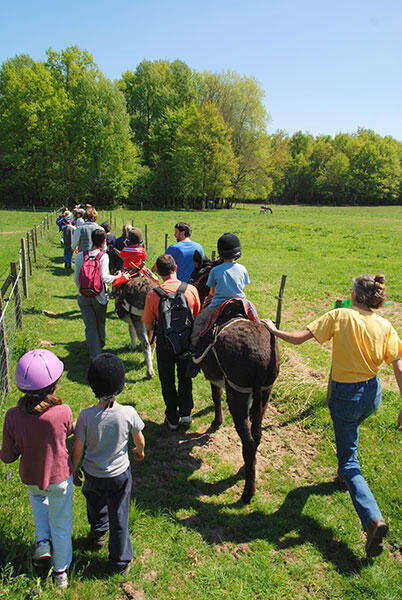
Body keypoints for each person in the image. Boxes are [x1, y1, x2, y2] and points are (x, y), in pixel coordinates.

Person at [262, 274, 402, 558]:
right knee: (351, 430)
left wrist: (274, 331)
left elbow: (299, 339)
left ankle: (372, 520)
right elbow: (398, 363)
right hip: (372, 395)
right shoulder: (385, 325)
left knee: (349, 462)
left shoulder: (340, 315)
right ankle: (342, 476)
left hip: (345, 394)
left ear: (355, 294)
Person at [0, 350, 73, 589]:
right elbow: (68, 436)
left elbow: (8, 457)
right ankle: (61, 572)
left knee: (38, 501)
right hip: (59, 477)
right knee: (61, 523)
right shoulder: (63, 412)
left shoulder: (12, 416)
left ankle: (42, 542)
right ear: (54, 386)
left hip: (31, 476)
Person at [71, 353, 145, 574]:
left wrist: (74, 470)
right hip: (119, 475)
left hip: (93, 473)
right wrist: (139, 451)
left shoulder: (85, 416)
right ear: (121, 384)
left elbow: (77, 449)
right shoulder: (128, 413)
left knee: (94, 503)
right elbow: (139, 438)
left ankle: (99, 532)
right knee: (119, 515)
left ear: (92, 385)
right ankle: (120, 561)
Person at [143, 254, 201, 431]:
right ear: (175, 268)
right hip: (186, 343)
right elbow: (197, 317)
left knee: (167, 381)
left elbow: (148, 323)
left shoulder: (153, 294)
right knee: (185, 378)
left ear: (159, 273)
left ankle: (172, 419)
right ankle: (186, 414)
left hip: (165, 344)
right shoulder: (191, 290)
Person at [191, 233, 250, 342]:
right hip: (241, 302)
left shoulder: (215, 270)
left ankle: (193, 347)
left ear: (220, 253)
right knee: (255, 319)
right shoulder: (243, 268)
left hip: (218, 304)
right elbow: (243, 286)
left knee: (198, 321)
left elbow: (212, 292)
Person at [74, 229, 118, 359]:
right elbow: (104, 278)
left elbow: (76, 278)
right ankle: (99, 349)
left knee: (90, 326)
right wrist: (116, 277)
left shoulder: (80, 256)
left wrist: (82, 289)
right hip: (100, 297)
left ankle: (95, 351)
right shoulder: (103, 257)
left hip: (83, 296)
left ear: (92, 239)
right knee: (100, 322)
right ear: (104, 241)